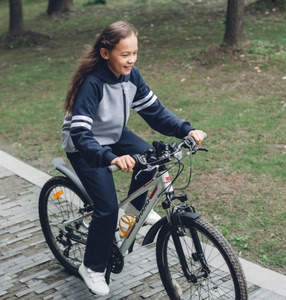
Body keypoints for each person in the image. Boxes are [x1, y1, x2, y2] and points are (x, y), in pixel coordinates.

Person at [61, 20, 205, 296]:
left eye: (134, 53)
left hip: (113, 134)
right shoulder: (92, 83)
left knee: (155, 159)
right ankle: (91, 266)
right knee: (106, 209)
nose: (131, 60)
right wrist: (108, 158)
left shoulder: (131, 77)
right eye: (124, 54)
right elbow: (80, 133)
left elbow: (156, 113)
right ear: (106, 54)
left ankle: (133, 212)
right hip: (85, 146)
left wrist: (187, 129)